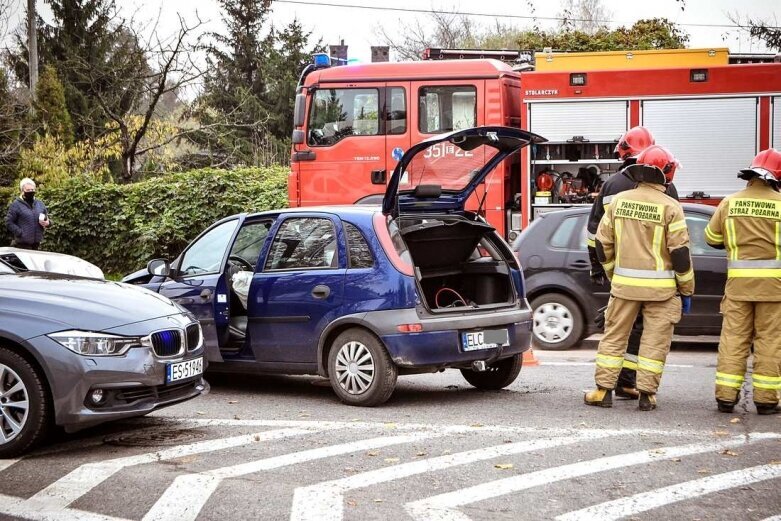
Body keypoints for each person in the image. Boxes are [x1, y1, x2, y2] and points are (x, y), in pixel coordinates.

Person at [586, 145, 694, 411]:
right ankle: (646, 395)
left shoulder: (619, 201)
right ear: (666, 172)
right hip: (662, 291)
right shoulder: (671, 207)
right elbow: (680, 253)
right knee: (654, 341)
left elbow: (602, 243)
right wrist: (687, 289)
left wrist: (613, 274)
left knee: (614, 338)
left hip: (624, 288)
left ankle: (603, 392)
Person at [704, 148, 781, 415]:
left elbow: (711, 238)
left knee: (733, 340)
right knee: (770, 342)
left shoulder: (729, 202)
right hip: (774, 290)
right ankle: (766, 401)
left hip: (738, 288)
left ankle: (725, 398)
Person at [5, 178, 50, 250]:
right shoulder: (16, 205)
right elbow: (9, 222)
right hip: (22, 245)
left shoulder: (40, 204)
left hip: (36, 244)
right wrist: (20, 233)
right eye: (28, 190)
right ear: (22, 191)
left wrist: (48, 223)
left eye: (33, 190)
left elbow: (47, 218)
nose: (31, 192)